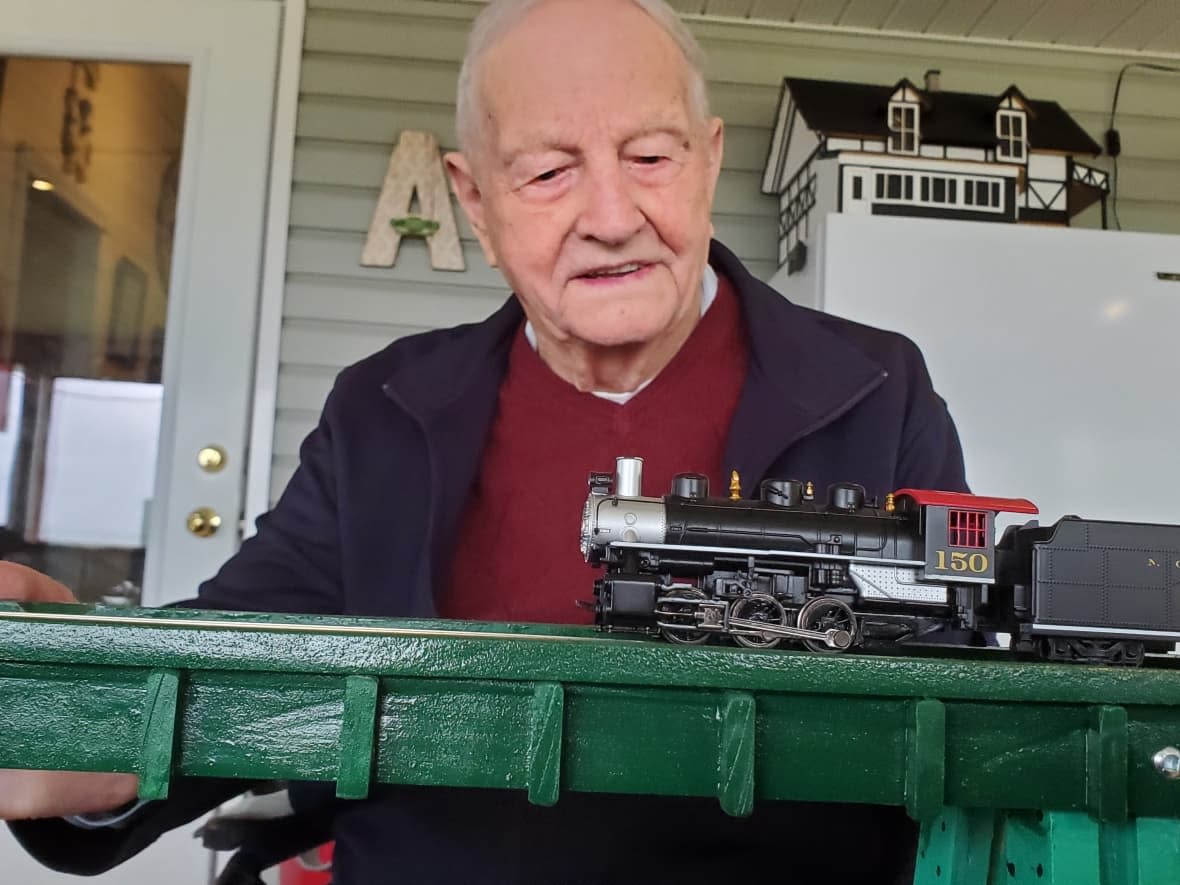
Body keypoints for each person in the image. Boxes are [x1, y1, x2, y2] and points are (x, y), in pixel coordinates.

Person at [1, 0, 967, 882]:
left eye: (652, 157)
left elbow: (956, 736)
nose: (611, 216)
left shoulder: (878, 393)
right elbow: (241, 675)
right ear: (474, 199)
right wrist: (67, 725)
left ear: (709, 159)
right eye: (549, 171)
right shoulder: (382, 410)